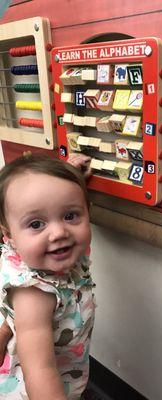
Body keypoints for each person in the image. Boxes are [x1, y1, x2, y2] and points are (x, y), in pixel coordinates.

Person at [0, 153, 94, 399]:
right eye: (36, 224)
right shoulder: (35, 295)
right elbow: (39, 370)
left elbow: (49, 199)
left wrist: (68, 172)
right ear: (9, 236)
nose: (59, 232)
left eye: (70, 215)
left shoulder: (54, 254)